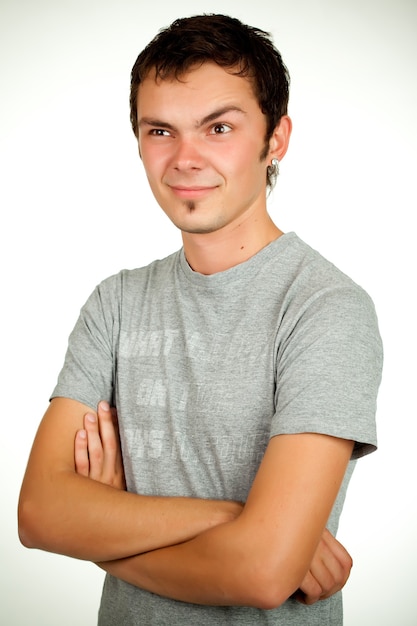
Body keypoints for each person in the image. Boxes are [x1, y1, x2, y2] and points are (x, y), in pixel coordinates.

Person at [18, 14, 383, 625]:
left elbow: (263, 573)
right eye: (161, 130)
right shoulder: (115, 303)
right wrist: (228, 520)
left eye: (219, 127)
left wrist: (101, 527)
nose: (185, 159)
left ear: (277, 138)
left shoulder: (326, 308)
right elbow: (39, 514)